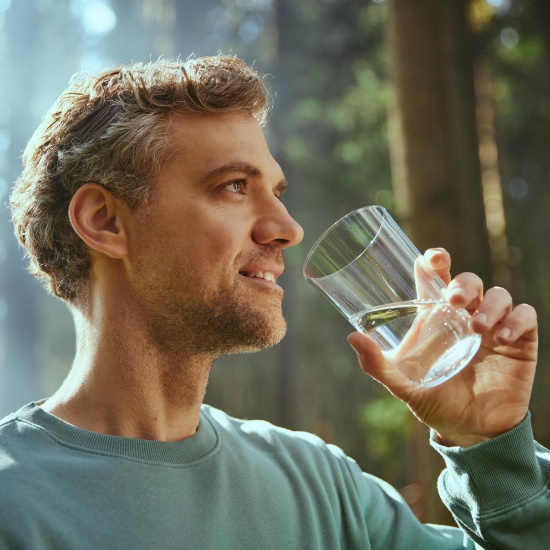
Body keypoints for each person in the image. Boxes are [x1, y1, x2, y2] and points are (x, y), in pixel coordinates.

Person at [0, 55, 547, 549]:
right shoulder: (14, 500)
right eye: (235, 186)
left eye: (277, 193)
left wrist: (489, 449)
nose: (287, 228)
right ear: (105, 221)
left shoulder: (321, 484)